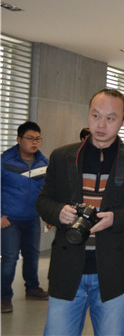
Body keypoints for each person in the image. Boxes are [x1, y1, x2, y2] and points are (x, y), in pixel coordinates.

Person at [36, 89, 124, 335]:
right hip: (66, 268)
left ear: (123, 121)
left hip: (112, 270)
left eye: (110, 118)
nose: (101, 125)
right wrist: (58, 212)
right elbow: (43, 201)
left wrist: (116, 219)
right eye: (95, 116)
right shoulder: (63, 156)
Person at [1, 121, 50, 313]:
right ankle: (4, 297)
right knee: (10, 259)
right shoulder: (5, 160)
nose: (34, 142)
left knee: (32, 256)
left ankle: (32, 288)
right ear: (19, 139)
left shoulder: (43, 163)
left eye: (37, 139)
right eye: (30, 138)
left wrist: (49, 216)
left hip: (32, 218)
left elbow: (47, 191)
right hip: (9, 220)